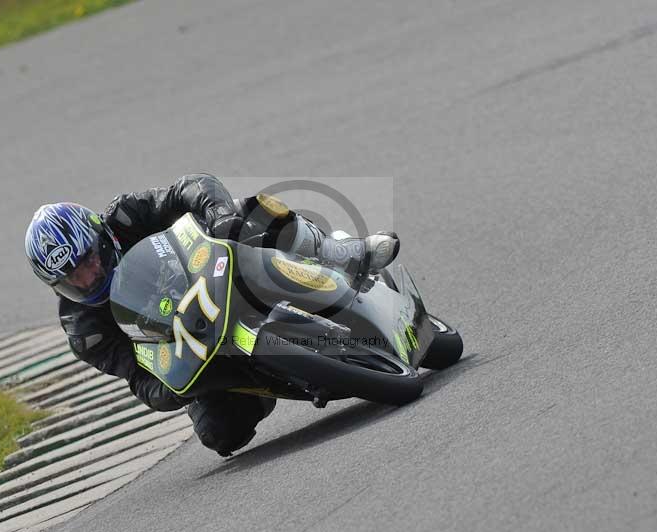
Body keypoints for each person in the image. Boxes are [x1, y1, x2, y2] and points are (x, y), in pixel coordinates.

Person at [24, 174, 400, 456]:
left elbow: (190, 187)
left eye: (90, 259)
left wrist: (218, 215)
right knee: (220, 435)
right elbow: (137, 377)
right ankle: (267, 382)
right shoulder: (85, 329)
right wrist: (170, 388)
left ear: (100, 235)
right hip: (192, 346)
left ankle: (343, 252)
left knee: (248, 210)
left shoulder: (127, 214)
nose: (90, 276)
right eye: (74, 277)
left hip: (221, 270)